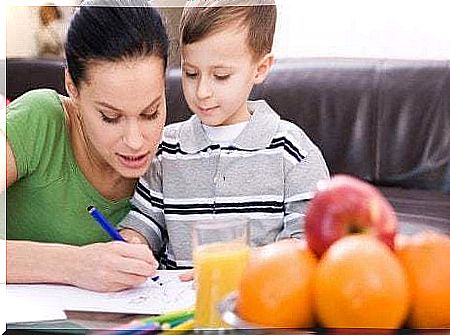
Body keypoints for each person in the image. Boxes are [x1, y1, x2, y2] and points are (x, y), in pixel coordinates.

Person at [119, 0, 330, 269]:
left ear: (260, 68)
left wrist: (235, 266)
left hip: (256, 304)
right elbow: (145, 222)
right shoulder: (166, 148)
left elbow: (306, 242)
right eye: (191, 73)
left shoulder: (293, 152)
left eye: (220, 76)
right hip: (175, 307)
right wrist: (132, 243)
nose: (202, 91)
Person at [5, 0, 169, 292]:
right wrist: (72, 264)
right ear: (72, 87)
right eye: (110, 117)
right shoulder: (40, 120)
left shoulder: (175, 158)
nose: (135, 141)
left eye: (151, 112)